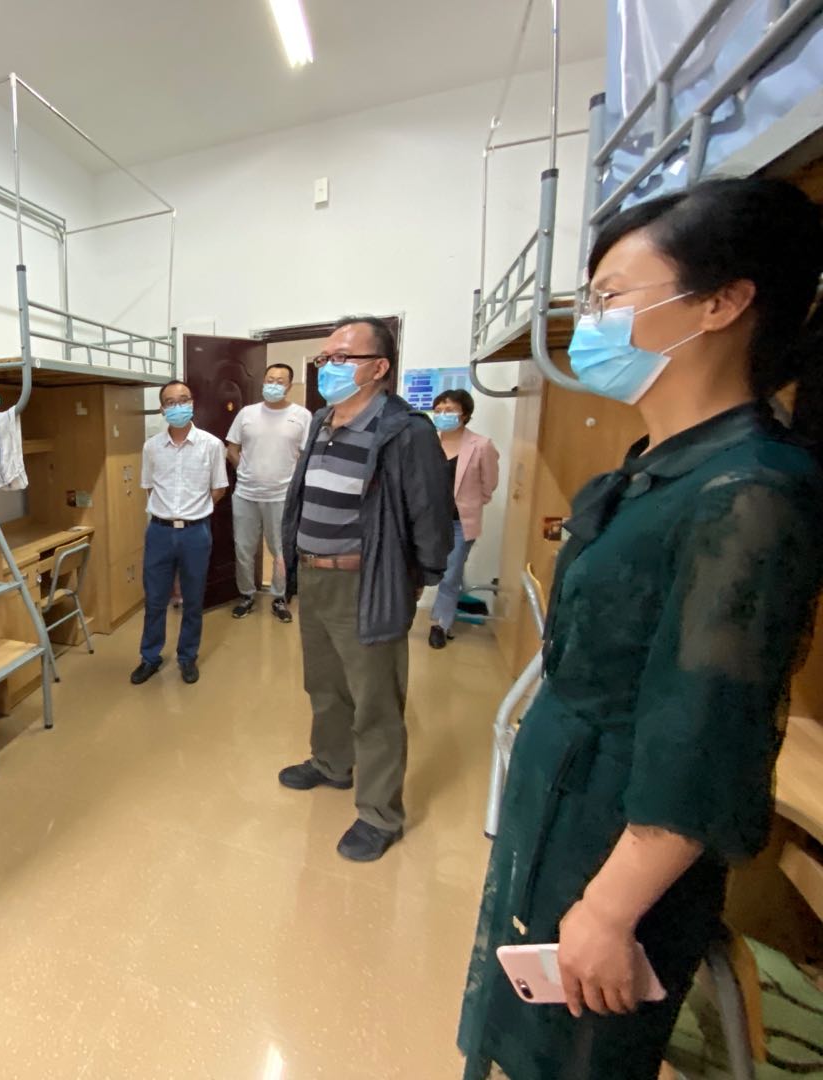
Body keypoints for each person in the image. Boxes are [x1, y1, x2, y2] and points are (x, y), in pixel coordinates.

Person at [457, 178, 823, 1080]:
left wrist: (612, 910)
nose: (590, 323)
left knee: (574, 1051)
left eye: (610, 298)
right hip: (566, 795)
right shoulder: (654, 465)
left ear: (722, 303)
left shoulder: (749, 491)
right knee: (523, 1029)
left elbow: (707, 729)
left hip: (618, 833)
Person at [278, 316, 452, 862]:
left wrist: (416, 579)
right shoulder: (322, 420)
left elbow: (431, 513)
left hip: (367, 581)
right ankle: (332, 763)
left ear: (378, 368)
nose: (327, 367)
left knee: (376, 700)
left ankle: (380, 814)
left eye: (341, 358)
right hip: (313, 575)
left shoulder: (406, 431)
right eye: (324, 358)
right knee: (324, 685)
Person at [132, 379, 229, 686]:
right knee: (155, 600)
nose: (178, 406)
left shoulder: (211, 445)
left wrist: (191, 512)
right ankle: (150, 657)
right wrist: (169, 513)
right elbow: (149, 487)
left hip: (195, 533)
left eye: (184, 400)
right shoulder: (151, 447)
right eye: (171, 402)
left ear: (192, 403)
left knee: (193, 599)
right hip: (159, 532)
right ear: (162, 409)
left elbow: (218, 489)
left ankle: (187, 657)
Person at [226, 363, 312, 623]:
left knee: (281, 552)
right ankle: (247, 595)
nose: (273, 384)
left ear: (289, 385)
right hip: (246, 494)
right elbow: (232, 449)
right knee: (244, 549)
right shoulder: (247, 414)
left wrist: (295, 484)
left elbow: (306, 455)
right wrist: (244, 472)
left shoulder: (302, 416)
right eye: (270, 379)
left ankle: (279, 597)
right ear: (263, 382)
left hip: (281, 497)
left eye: (280, 381)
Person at [428, 388, 499, 649]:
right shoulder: (428, 443)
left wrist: (468, 505)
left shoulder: (481, 445)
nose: (442, 415)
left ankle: (441, 624)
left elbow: (488, 485)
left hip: (459, 523)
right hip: (428, 522)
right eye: (438, 410)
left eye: (449, 410)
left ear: (465, 414)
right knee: (418, 570)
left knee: (450, 575)